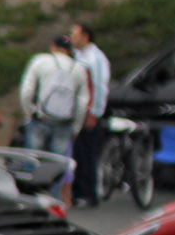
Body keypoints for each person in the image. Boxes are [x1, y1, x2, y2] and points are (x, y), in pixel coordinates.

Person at [18, 34, 90, 168]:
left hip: (40, 119)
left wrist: (29, 110)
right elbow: (82, 103)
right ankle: (53, 188)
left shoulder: (40, 61)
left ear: (53, 46)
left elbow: (26, 90)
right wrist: (77, 126)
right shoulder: (79, 70)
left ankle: (29, 187)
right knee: (57, 167)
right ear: (69, 50)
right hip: (64, 123)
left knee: (31, 161)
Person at [69, 21, 112, 207]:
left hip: (89, 112)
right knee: (77, 152)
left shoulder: (96, 58)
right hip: (77, 111)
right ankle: (76, 190)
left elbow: (99, 86)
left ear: (85, 36)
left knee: (88, 152)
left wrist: (94, 112)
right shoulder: (78, 55)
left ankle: (89, 193)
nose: (72, 38)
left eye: (75, 35)